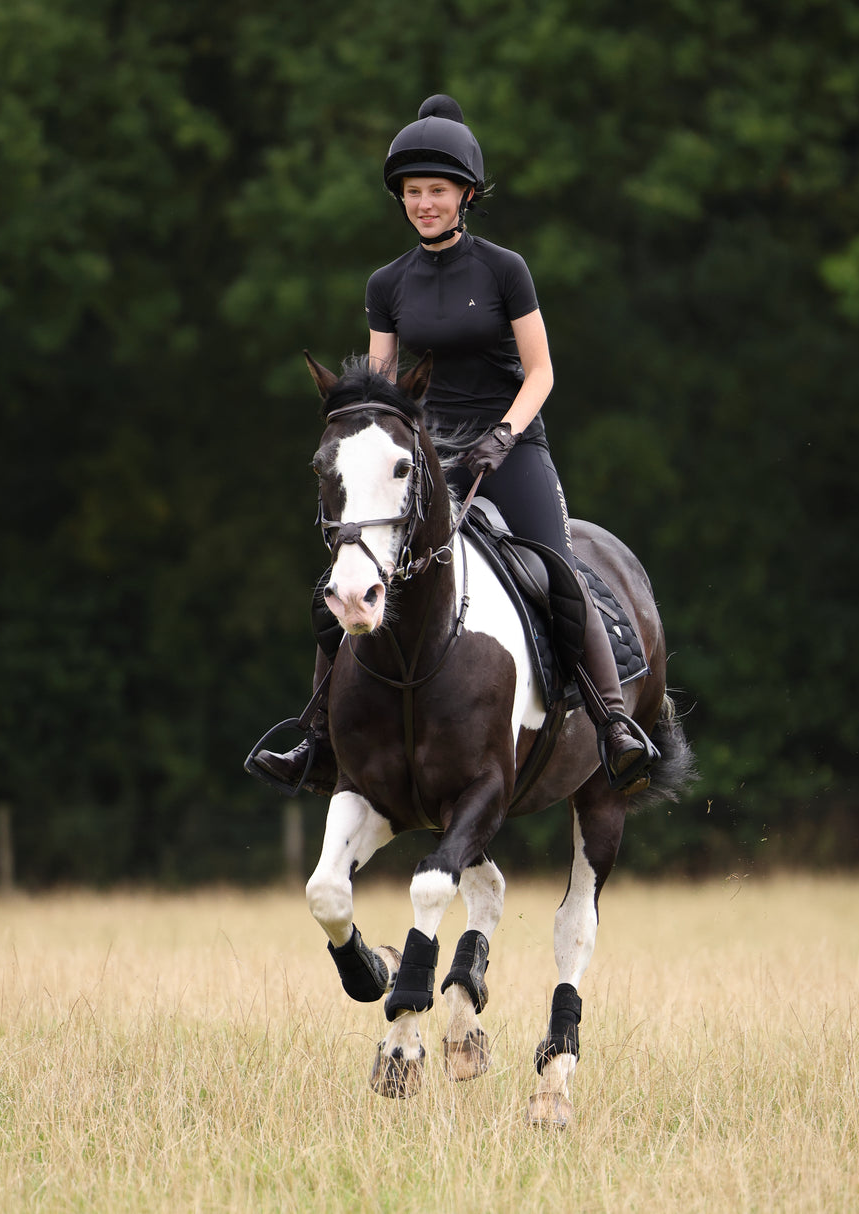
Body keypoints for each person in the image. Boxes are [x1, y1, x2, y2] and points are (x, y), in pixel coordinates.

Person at [246, 94, 652, 796]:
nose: (424, 203)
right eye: (413, 192)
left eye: (437, 190)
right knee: (344, 584)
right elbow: (380, 387)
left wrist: (502, 437)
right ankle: (316, 736)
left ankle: (614, 721)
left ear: (466, 194)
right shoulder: (388, 284)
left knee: (557, 570)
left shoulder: (504, 270)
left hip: (511, 446)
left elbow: (543, 371)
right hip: (425, 458)